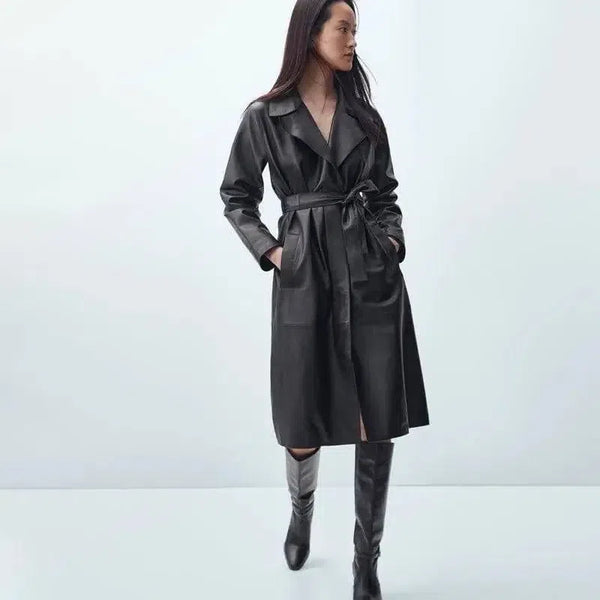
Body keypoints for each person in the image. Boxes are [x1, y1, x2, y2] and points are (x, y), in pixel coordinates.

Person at [219, 1, 430, 597]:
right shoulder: (265, 115)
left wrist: (390, 242)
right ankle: (302, 511)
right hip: (305, 274)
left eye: (355, 29)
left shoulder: (365, 117)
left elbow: (385, 194)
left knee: (375, 418)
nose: (353, 39)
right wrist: (273, 251)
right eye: (343, 28)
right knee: (300, 418)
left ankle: (367, 563)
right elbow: (237, 195)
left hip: (369, 274)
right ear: (311, 33)